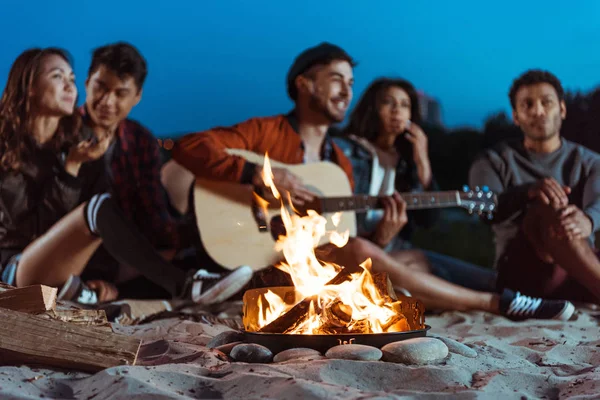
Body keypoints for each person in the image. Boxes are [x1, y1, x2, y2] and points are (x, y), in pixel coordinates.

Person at [172, 42, 573, 320]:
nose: (346, 90)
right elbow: (190, 145)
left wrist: (384, 235)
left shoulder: (338, 163)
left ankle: (524, 295)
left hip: (308, 271)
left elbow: (341, 242)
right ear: (303, 84)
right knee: (375, 255)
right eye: (336, 79)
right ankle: (497, 303)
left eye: (350, 83)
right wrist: (264, 174)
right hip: (256, 266)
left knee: (411, 259)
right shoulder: (266, 133)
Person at [0, 47, 251, 305]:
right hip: (17, 268)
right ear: (28, 86)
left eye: (71, 79)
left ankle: (225, 271)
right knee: (98, 207)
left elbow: (95, 226)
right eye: (57, 76)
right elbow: (39, 231)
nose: (69, 86)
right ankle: (185, 286)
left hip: (78, 264)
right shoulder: (10, 148)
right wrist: (71, 170)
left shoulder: (73, 142)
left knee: (176, 241)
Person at [333, 77, 498, 293]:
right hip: (356, 253)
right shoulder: (345, 150)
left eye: (404, 105)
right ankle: (494, 304)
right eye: (388, 102)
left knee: (483, 278)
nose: (397, 111)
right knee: (429, 271)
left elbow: (429, 220)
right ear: (372, 108)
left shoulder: (406, 162)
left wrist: (422, 160)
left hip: (399, 253)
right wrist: (380, 239)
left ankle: (515, 299)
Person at [470, 69, 600, 305]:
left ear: (562, 109)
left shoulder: (590, 161)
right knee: (545, 209)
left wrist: (588, 220)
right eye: (527, 105)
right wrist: (527, 192)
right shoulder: (492, 160)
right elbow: (485, 211)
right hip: (522, 276)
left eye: (546, 102)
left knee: (571, 217)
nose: (538, 111)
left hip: (581, 272)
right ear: (516, 116)